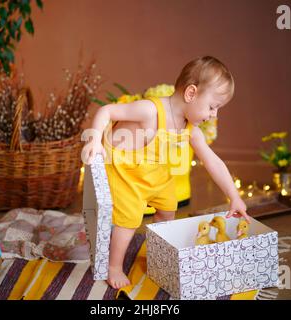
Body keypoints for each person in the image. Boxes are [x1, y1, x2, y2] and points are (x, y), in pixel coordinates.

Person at [82, 56, 251, 289]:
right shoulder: (150, 110)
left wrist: (234, 196)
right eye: (212, 107)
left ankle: (157, 253)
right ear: (191, 94)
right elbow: (108, 111)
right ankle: (114, 266)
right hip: (125, 170)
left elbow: (213, 161)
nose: (214, 115)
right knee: (129, 219)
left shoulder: (190, 128)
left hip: (153, 170)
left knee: (168, 209)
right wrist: (94, 140)